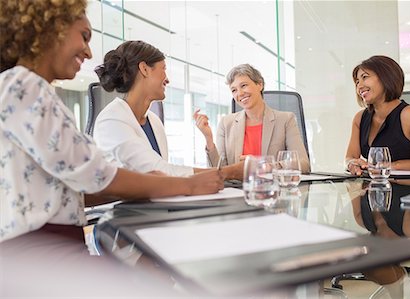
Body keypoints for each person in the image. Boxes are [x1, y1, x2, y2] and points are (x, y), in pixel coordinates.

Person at [0, 0, 223, 243]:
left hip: (48, 242)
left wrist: (155, 184)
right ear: (51, 28)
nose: (88, 52)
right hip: (39, 248)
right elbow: (97, 176)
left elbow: (75, 187)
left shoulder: (27, 89)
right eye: (84, 37)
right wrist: (187, 185)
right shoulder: (25, 87)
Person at [93, 40, 242, 179]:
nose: (167, 79)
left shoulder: (154, 121)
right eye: (163, 69)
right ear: (144, 69)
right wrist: (232, 172)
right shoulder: (112, 120)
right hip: (124, 206)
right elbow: (160, 172)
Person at [193, 64, 311, 173]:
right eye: (234, 90)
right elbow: (218, 171)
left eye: (243, 85)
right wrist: (208, 138)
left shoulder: (285, 119)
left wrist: (265, 165)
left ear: (260, 84)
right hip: (237, 191)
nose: (239, 93)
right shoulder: (226, 123)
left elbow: (304, 164)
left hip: (273, 191)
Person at [345, 55, 410, 175]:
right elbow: (351, 157)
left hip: (408, 191)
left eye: (365, 77)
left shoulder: (409, 115)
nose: (359, 86)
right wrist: (352, 163)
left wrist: (394, 166)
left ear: (386, 77)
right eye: (357, 82)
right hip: (373, 190)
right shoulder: (359, 118)